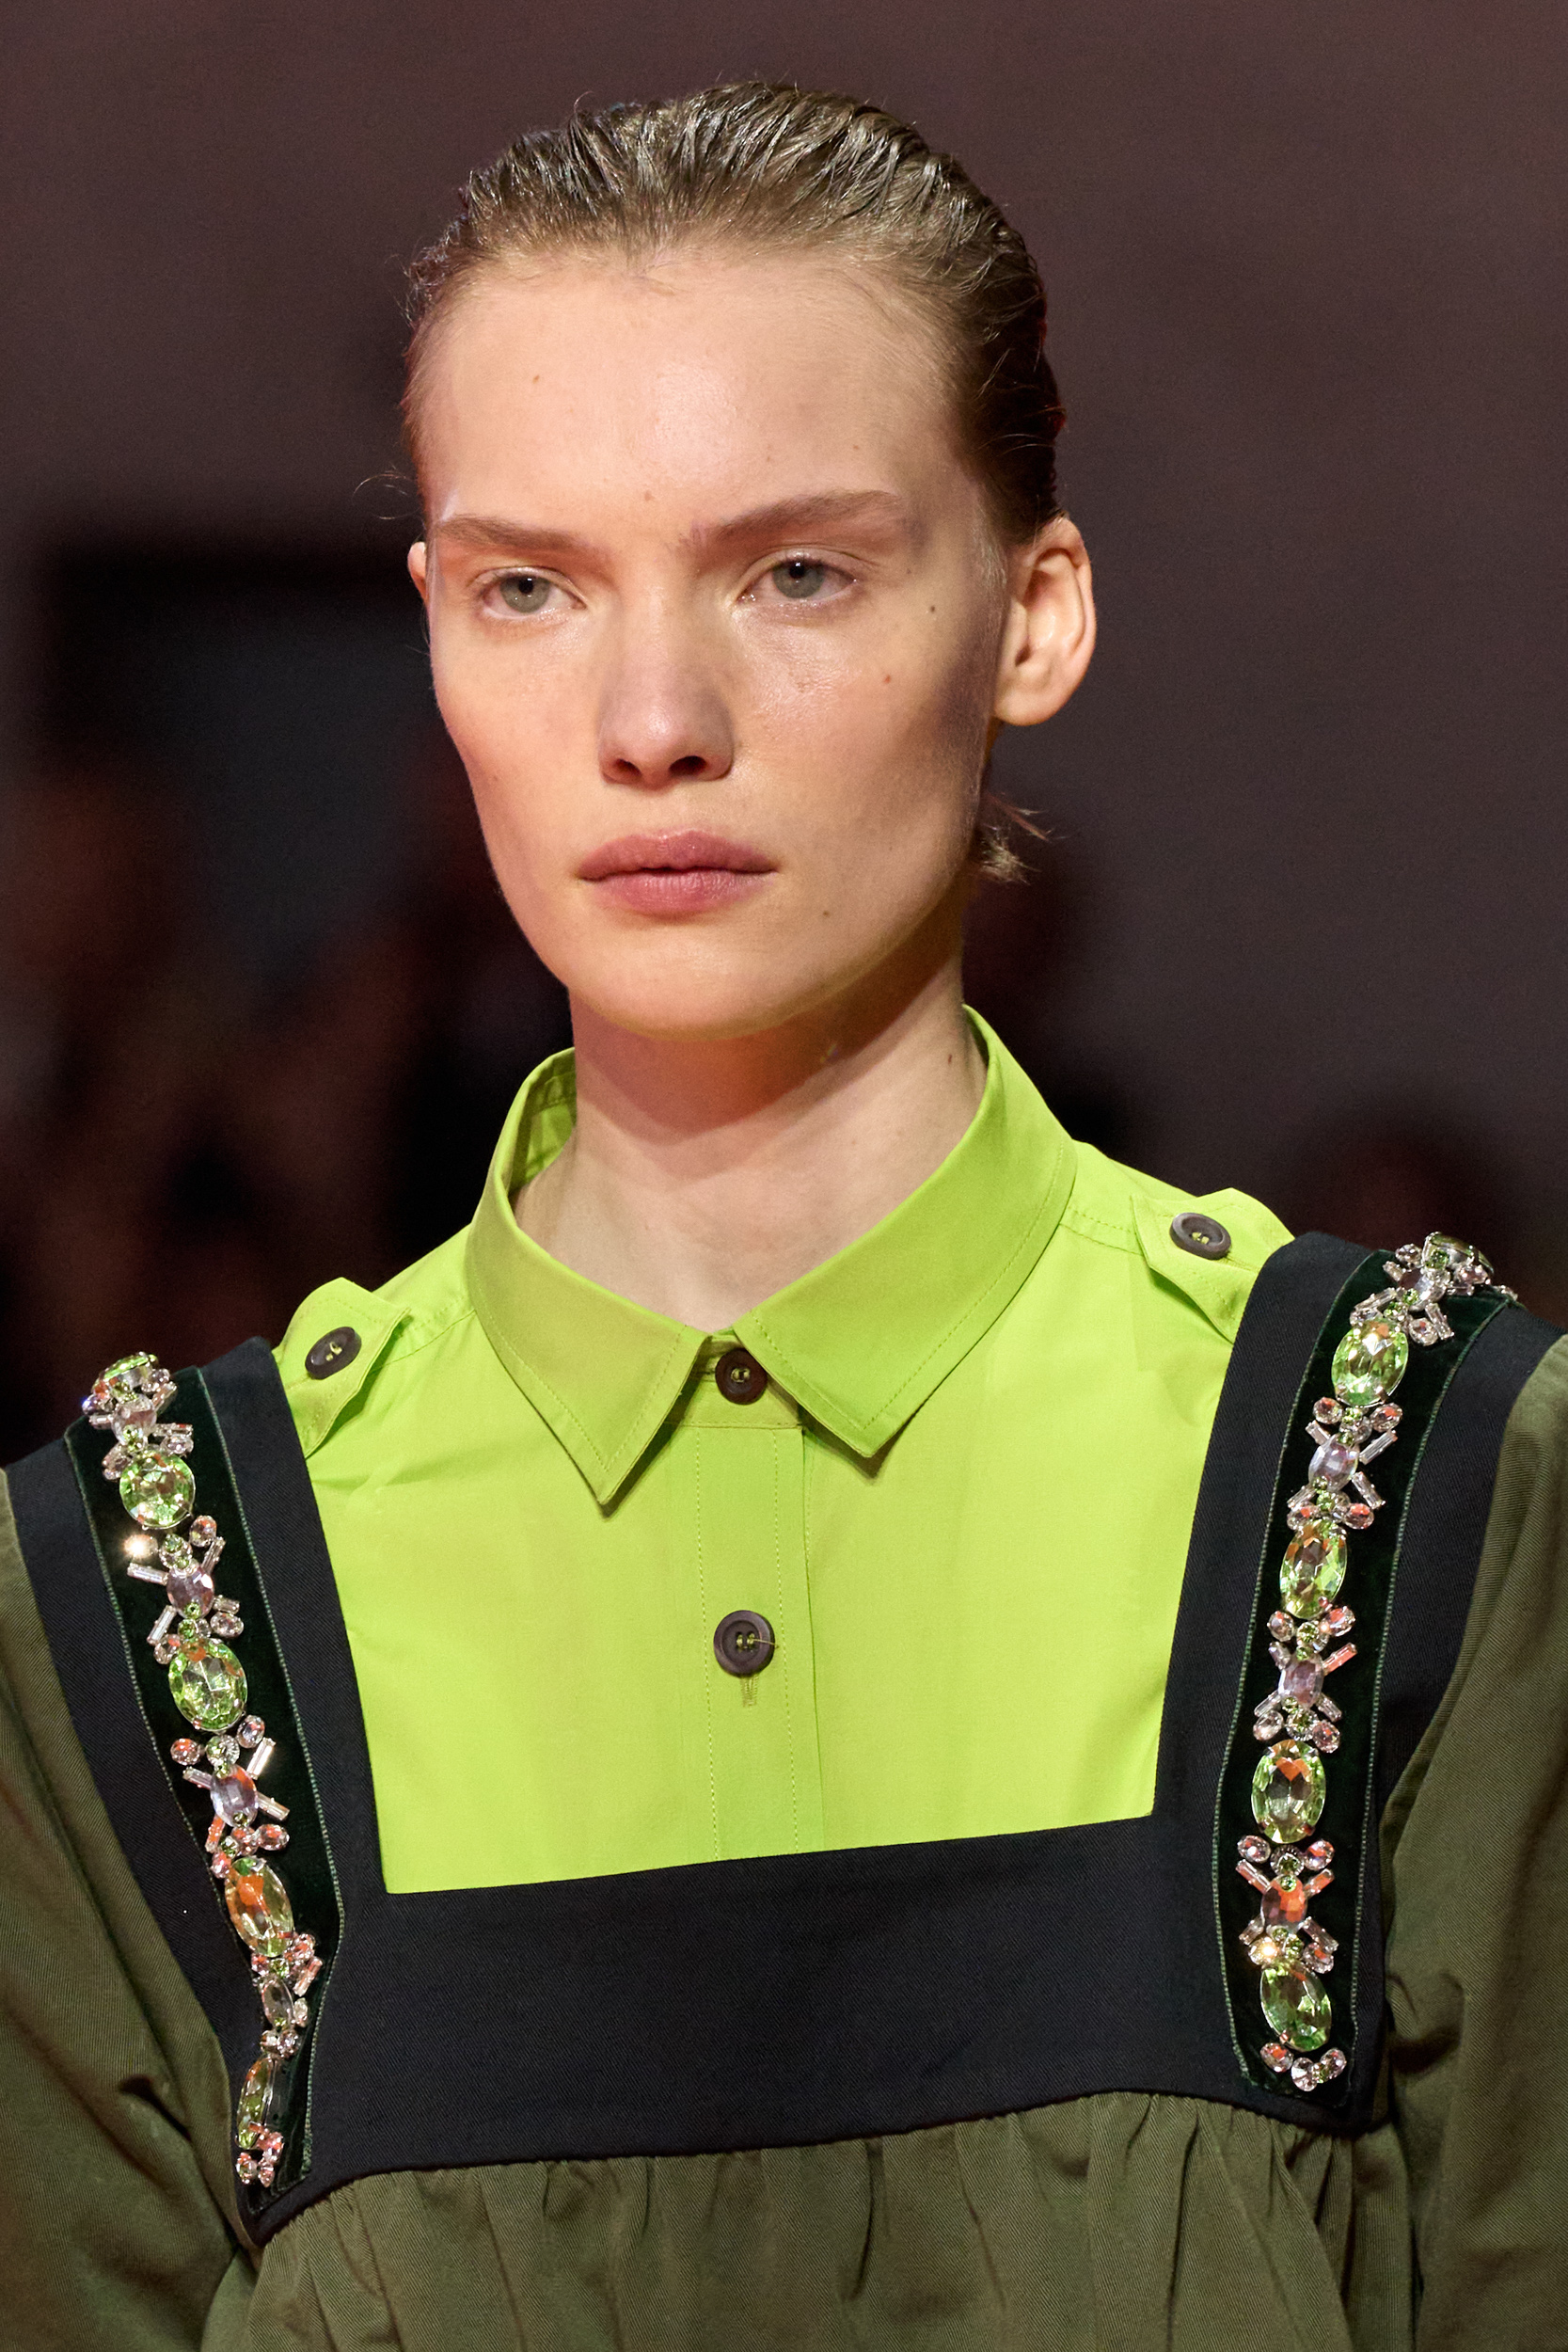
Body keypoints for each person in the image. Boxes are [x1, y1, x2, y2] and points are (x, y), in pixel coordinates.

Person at [2, 83, 1564, 2352]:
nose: (652, 717)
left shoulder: (1423, 1485)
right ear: (433, 634)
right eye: (530, 587)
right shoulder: (148, 1598)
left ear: (1033, 617)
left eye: (796, 572)